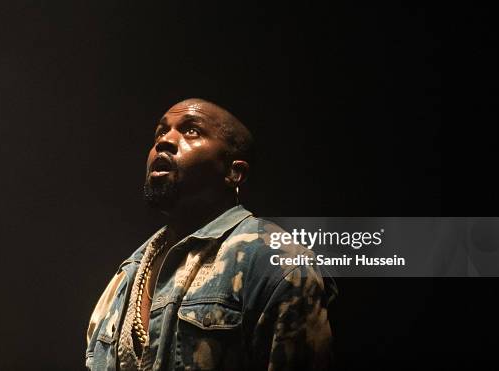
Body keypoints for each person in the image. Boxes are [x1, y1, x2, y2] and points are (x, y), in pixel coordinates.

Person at [85, 98, 336, 370]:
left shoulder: (275, 262)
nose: (165, 141)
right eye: (161, 132)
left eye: (191, 130)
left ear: (234, 172)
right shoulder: (126, 276)